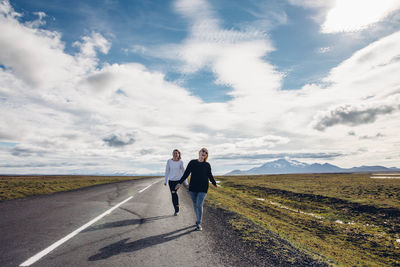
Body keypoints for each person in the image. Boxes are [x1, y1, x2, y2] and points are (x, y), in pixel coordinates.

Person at [175, 147, 217, 231]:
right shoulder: (192, 162)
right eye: (203, 151)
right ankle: (198, 217)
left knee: (199, 204)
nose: (204, 153)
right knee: (195, 204)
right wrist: (179, 182)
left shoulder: (207, 165)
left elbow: (210, 175)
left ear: (206, 155)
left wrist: (214, 183)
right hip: (193, 188)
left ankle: (198, 223)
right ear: (199, 152)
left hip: (203, 188)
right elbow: (186, 174)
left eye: (206, 152)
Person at [164, 149, 187, 216]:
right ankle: (176, 208)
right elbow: (167, 171)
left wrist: (186, 182)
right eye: (174, 153)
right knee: (173, 194)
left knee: (174, 192)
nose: (175, 154)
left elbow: (184, 172)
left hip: (178, 181)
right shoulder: (169, 161)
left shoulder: (180, 162)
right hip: (171, 181)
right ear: (172, 154)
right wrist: (165, 181)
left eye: (176, 153)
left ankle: (177, 210)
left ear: (179, 154)